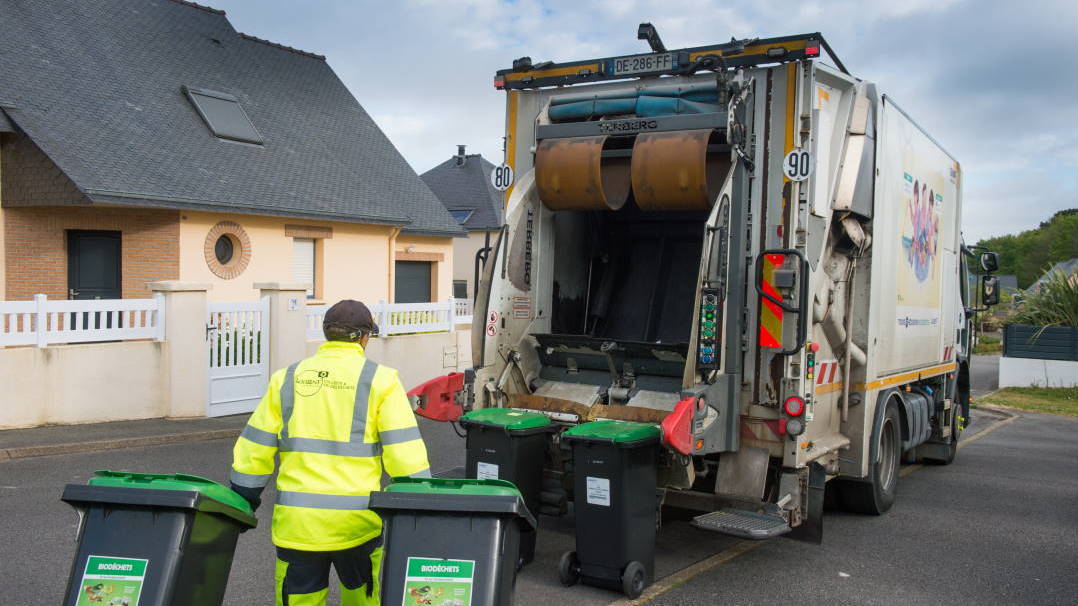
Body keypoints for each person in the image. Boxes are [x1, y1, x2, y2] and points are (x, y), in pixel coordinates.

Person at [230, 299, 431, 606]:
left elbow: (255, 446)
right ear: (365, 337)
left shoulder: (286, 378)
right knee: (363, 599)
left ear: (327, 334)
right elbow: (404, 453)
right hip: (358, 524)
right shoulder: (381, 380)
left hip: (299, 525)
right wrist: (421, 508)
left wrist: (243, 497)